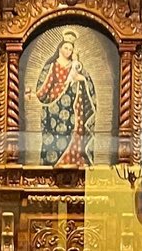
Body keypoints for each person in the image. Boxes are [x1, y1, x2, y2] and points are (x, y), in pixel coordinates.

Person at [33, 30, 97, 166]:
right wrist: (41, 94)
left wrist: (82, 80)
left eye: (70, 49)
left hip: (75, 110)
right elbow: (43, 87)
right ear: (60, 48)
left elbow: (87, 83)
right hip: (55, 110)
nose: (68, 51)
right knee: (56, 140)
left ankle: (75, 162)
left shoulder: (76, 66)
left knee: (76, 136)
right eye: (66, 48)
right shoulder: (52, 66)